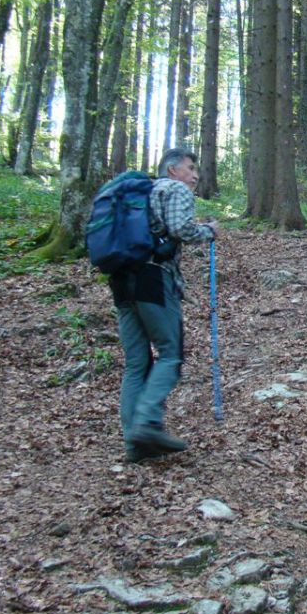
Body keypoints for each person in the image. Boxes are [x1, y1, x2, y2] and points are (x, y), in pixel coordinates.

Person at [109, 148, 217, 463]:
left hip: (121, 280)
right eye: (190, 168)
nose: (196, 175)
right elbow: (182, 229)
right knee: (170, 354)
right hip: (153, 278)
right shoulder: (174, 190)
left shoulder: (139, 194)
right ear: (172, 170)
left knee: (136, 362)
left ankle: (135, 444)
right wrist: (209, 231)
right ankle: (146, 423)